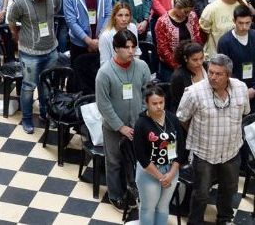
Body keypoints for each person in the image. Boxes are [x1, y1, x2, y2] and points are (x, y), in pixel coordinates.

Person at [177, 53, 249, 225]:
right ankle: (195, 222)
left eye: (218, 74)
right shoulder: (194, 92)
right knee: (201, 193)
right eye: (210, 72)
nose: (213, 77)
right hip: (204, 152)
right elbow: (182, 117)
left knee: (229, 189)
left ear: (228, 75)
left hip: (231, 151)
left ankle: (224, 219)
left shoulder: (241, 88)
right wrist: (196, 132)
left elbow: (245, 112)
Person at [95, 29, 151, 212]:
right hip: (113, 128)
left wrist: (143, 117)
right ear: (116, 48)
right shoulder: (104, 73)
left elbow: (147, 93)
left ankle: (133, 190)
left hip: (137, 125)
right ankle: (116, 195)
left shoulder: (141, 66)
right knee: (114, 162)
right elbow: (103, 105)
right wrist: (120, 127)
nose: (131, 51)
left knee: (136, 160)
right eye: (126, 47)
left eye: (133, 47)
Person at [7, 0, 61, 133]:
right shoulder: (20, 1)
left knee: (47, 85)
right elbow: (11, 19)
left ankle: (46, 114)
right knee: (29, 87)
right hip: (30, 53)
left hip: (51, 50)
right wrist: (16, 37)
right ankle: (27, 119)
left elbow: (56, 10)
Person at [133, 85, 186, 225]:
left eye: (161, 102)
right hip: (149, 171)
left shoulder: (172, 118)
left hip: (171, 169)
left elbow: (181, 147)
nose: (158, 106)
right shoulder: (141, 124)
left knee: (163, 207)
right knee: (148, 208)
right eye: (154, 103)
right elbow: (141, 156)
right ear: (146, 103)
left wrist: (171, 173)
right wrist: (161, 177)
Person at [154, 0, 201, 82]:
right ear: (176, 7)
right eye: (185, 12)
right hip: (169, 66)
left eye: (189, 11)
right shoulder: (162, 22)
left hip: (191, 62)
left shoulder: (192, 16)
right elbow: (163, 49)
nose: (187, 14)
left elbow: (197, 37)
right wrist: (177, 66)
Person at [217, 6, 255, 98]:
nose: (244, 27)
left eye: (247, 23)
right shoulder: (224, 42)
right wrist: (239, 90)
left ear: (252, 20)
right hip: (235, 91)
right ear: (234, 21)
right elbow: (223, 71)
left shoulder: (254, 36)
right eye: (240, 23)